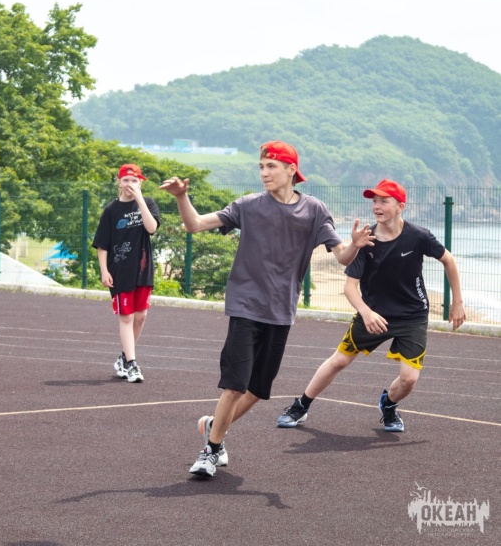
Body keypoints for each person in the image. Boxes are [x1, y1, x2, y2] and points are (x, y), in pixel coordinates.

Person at [159, 141, 374, 477]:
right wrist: (181, 197)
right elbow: (195, 225)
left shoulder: (314, 211)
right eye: (261, 167)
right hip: (245, 306)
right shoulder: (248, 205)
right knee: (235, 385)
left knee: (258, 390)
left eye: (271, 166)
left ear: (291, 170)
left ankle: (215, 427)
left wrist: (356, 246)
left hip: (281, 312)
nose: (264, 173)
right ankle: (211, 451)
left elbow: (343, 257)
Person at [276, 179, 466, 433]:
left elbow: (449, 260)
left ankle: (388, 405)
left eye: (383, 201)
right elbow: (349, 287)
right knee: (339, 361)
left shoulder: (419, 236)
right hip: (373, 314)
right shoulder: (366, 241)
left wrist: (457, 302)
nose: (376, 206)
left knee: (409, 379)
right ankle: (301, 406)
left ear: (400, 206)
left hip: (412, 316)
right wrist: (366, 313)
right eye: (374, 201)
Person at [92, 163, 161, 383]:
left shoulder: (148, 203)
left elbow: (151, 228)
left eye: (134, 180)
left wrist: (140, 200)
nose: (130, 184)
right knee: (127, 316)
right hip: (119, 271)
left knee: (141, 316)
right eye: (126, 180)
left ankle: (123, 357)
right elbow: (102, 244)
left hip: (143, 269)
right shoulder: (111, 210)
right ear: (119, 182)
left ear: (140, 183)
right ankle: (132, 364)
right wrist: (104, 271)